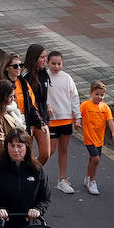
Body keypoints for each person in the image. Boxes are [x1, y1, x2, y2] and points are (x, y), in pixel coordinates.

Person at [0, 129, 51, 228]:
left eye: (19, 146)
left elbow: (45, 198)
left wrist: (38, 210)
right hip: (5, 226)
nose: (16, 150)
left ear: (27, 147)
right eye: (12, 146)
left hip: (30, 226)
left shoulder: (37, 169)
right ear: (6, 147)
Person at [46, 50, 81, 195]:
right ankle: (32, 174)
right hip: (52, 120)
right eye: (53, 63)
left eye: (59, 63)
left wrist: (77, 117)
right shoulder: (44, 76)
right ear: (48, 63)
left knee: (64, 150)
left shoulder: (67, 78)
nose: (56, 66)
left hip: (66, 119)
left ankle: (62, 179)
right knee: (49, 151)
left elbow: (74, 98)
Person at [80, 80, 114, 195]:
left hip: (99, 139)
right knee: (96, 159)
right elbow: (78, 115)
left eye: (102, 95)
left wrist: (113, 132)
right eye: (97, 94)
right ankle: (92, 180)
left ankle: (87, 177)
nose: (99, 97)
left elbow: (110, 121)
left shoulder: (105, 108)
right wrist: (76, 123)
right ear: (91, 93)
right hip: (89, 138)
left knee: (92, 159)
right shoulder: (85, 105)